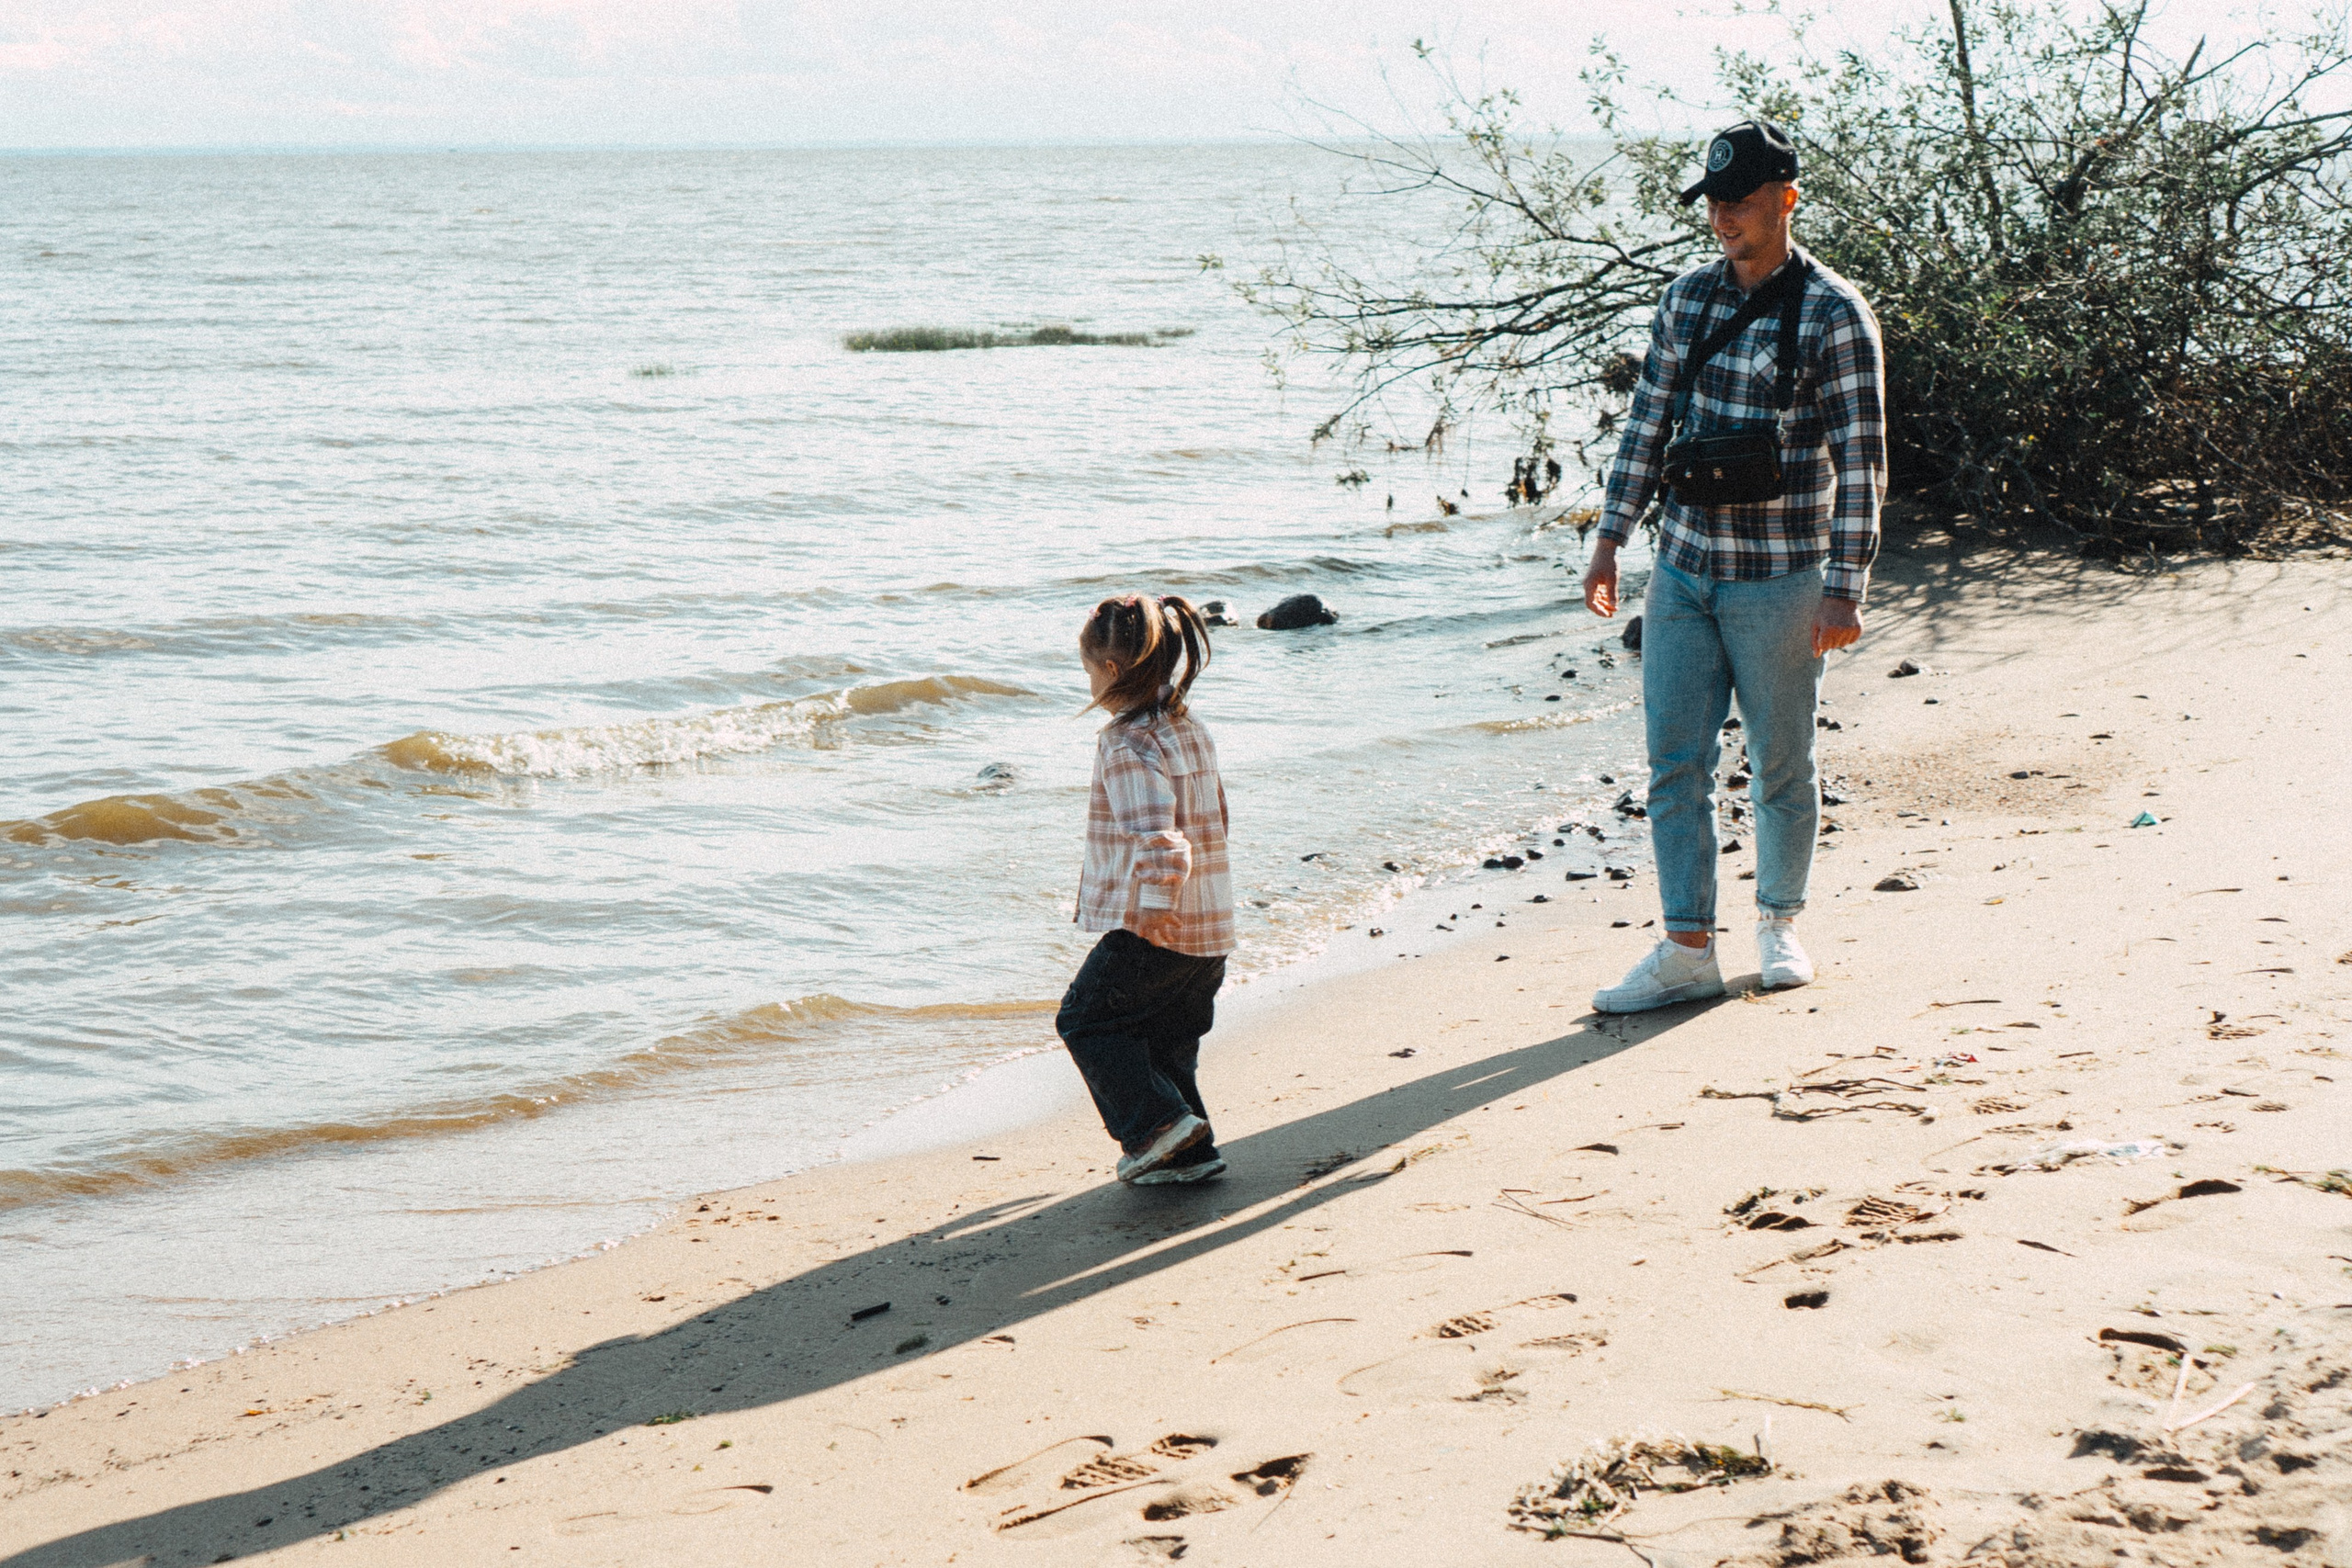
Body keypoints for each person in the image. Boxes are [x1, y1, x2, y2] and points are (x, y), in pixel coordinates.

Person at [1580, 118, 1886, 1012]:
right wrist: (1609, 538)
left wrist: (1845, 588)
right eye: (1713, 201)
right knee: (1673, 765)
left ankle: (1779, 922)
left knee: (1780, 762)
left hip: (1783, 576)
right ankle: (1684, 948)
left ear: (1785, 198)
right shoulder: (1684, 301)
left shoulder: (1835, 314)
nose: (1722, 218)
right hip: (1680, 569)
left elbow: (1862, 462)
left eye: (1740, 200)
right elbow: (1645, 423)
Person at [1056, 594, 1234, 1184]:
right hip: (1211, 928)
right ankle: (1189, 1153)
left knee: (1086, 1021)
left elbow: (1161, 838)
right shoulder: (1189, 727)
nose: (1087, 682)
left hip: (1161, 927)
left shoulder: (1126, 741)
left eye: (1086, 671)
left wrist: (1154, 914)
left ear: (1109, 671)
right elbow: (1217, 816)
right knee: (1166, 1046)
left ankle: (1155, 1129)